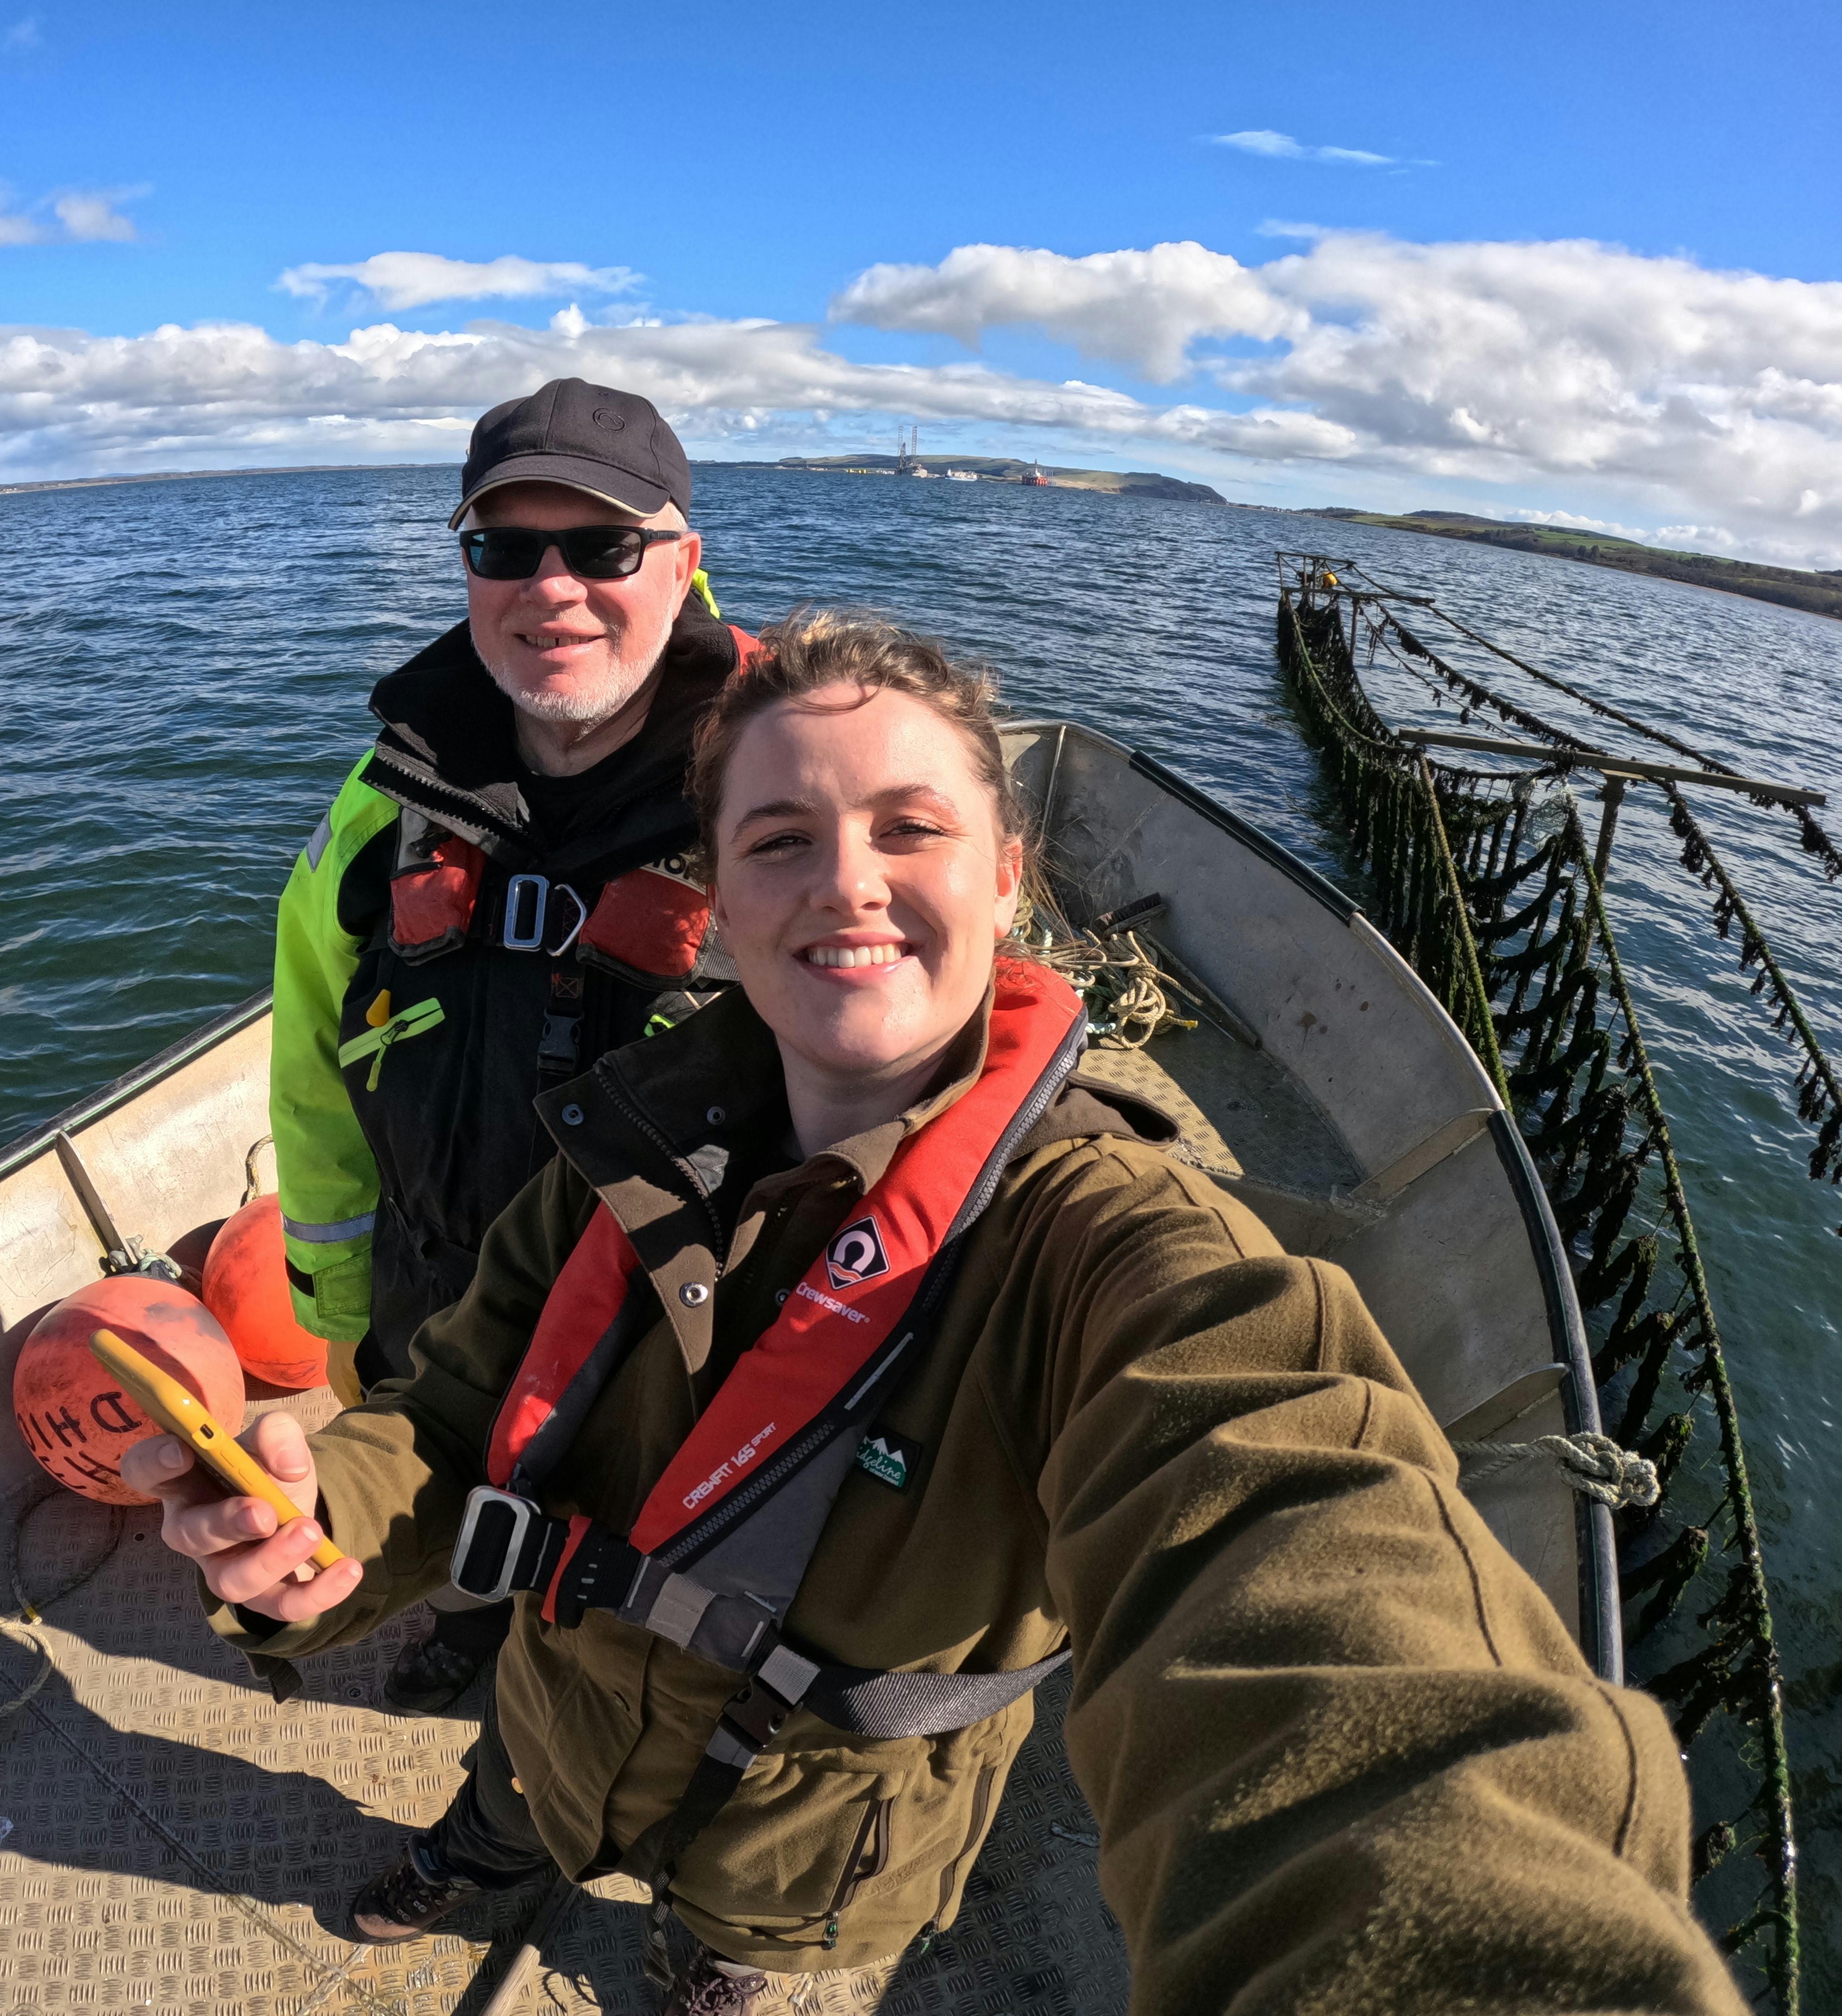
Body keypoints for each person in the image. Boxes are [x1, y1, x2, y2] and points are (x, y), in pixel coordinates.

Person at [132, 613, 1743, 2014]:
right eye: (777, 838)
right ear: (713, 889)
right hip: (559, 1713)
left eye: (909, 829)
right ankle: (481, 1851)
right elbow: (458, 1412)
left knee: (730, 1949)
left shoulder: (1110, 1246)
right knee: (506, 1799)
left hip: (806, 1834)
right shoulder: (616, 1144)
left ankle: (716, 1976)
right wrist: (323, 1512)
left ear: (1006, 873)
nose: (846, 884)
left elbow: (1303, 1551)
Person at [268, 377, 757, 1710]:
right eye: (502, 547)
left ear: (683, 565)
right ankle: (474, 1624)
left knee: (625, 1640)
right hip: (438, 1307)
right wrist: (344, 1323)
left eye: (602, 548)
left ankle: (527, 1781)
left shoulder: (781, 792)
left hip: (673, 1349)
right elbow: (315, 1072)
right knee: (465, 1541)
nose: (551, 589)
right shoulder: (384, 808)